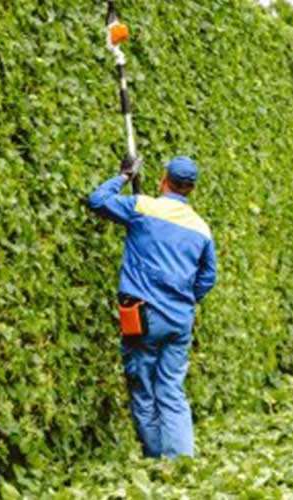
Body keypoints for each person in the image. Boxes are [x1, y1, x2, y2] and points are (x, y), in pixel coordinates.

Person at [88, 156, 217, 458]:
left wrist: (123, 176)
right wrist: (186, 299)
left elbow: (97, 200)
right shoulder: (201, 229)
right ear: (191, 189)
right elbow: (208, 278)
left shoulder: (142, 207)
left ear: (163, 179)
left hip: (143, 316)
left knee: (143, 388)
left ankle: (157, 461)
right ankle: (181, 464)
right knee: (172, 389)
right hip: (180, 320)